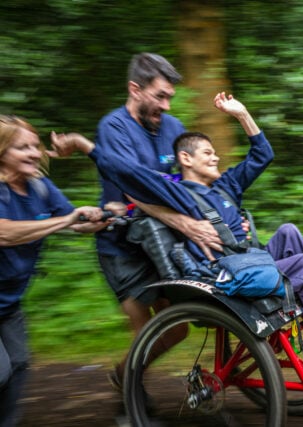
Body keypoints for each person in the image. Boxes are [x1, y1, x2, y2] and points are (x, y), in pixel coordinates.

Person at [53, 92, 303, 369]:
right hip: (223, 275)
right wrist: (84, 146)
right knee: (302, 265)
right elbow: (127, 172)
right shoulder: (176, 193)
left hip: (248, 261)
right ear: (185, 159)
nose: (216, 156)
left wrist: (241, 114)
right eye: (208, 153)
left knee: (289, 231)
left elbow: (263, 155)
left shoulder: (226, 185)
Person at [89, 53, 224, 390]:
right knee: (145, 331)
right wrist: (184, 223)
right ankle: (132, 394)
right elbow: (134, 192)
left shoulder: (174, 129)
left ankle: (123, 377)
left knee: (176, 328)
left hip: (161, 243)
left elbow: (192, 184)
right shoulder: (114, 128)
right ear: (135, 89)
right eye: (159, 96)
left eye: (170, 97)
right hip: (120, 248)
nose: (165, 105)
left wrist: (223, 215)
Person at [0, 115, 114, 427]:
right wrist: (65, 221)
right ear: (2, 152)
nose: (35, 154)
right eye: (22, 148)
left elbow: (75, 222)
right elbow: (5, 233)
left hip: (8, 302)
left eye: (35, 146)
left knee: (20, 364)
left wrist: (100, 217)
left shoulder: (39, 186)